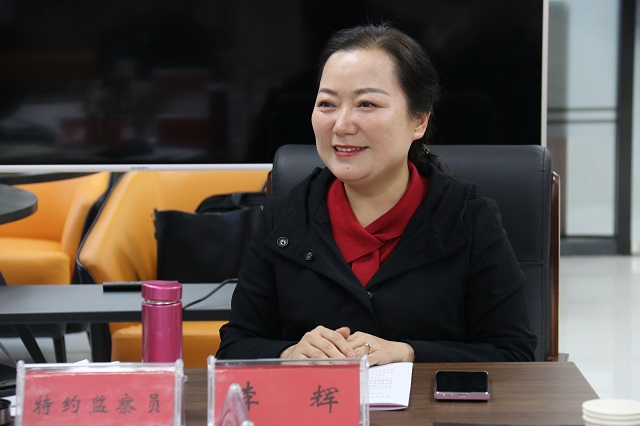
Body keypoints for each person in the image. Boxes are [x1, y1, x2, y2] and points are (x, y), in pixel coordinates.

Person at [216, 23, 537, 364]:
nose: (342, 125)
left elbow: (513, 354)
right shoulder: (283, 220)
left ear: (419, 121)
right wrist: (289, 353)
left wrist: (407, 352)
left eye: (366, 104)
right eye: (327, 104)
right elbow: (234, 349)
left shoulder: (470, 219)